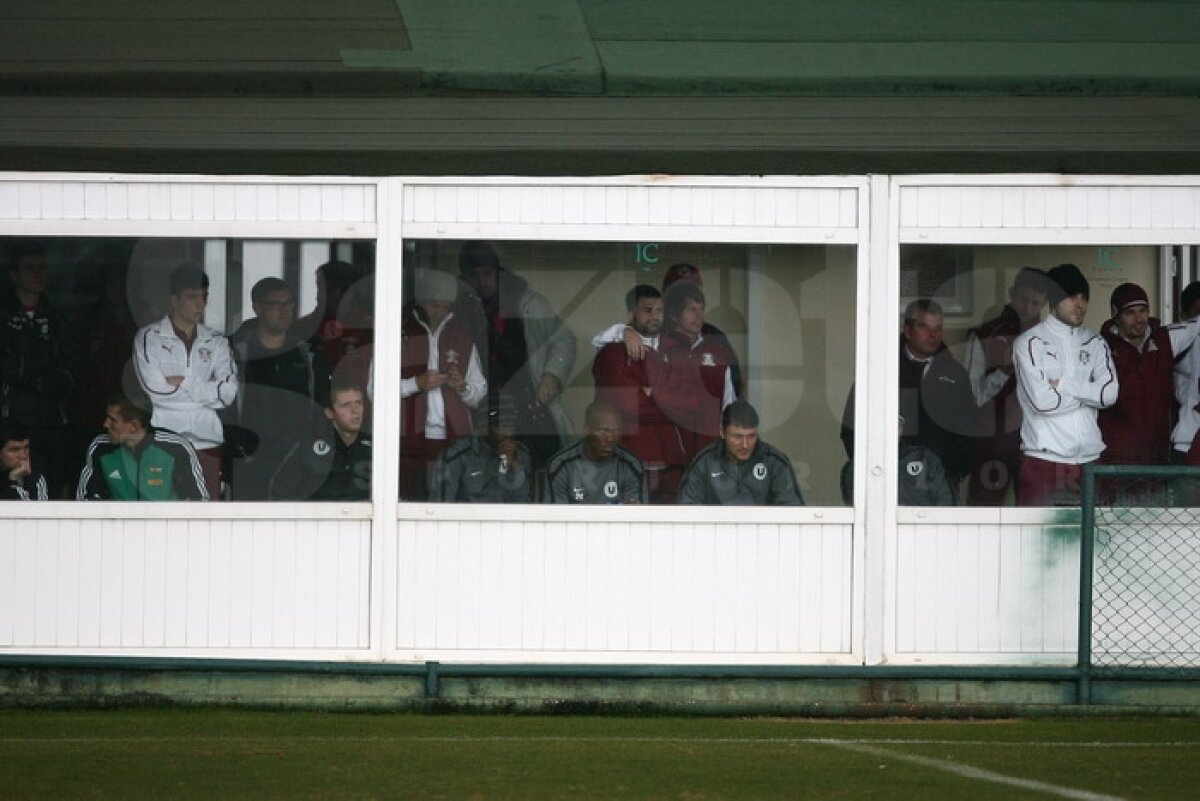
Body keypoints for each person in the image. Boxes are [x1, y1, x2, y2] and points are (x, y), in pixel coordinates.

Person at [842, 298, 976, 502]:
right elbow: (851, 426)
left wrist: (950, 472)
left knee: (939, 534)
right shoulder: (880, 368)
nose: (933, 335)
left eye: (938, 328)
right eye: (924, 327)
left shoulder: (955, 374)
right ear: (908, 330)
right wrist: (870, 468)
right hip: (884, 480)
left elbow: (969, 430)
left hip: (938, 483)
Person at [457, 241, 576, 468]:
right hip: (479, 408)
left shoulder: (528, 302)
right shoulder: (457, 308)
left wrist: (551, 376)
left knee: (541, 468)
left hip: (530, 404)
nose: (482, 282)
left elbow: (564, 339)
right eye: (474, 275)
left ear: (498, 271)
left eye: (488, 273)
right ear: (464, 278)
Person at [1013, 264, 1118, 506]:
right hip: (1044, 459)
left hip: (1090, 459)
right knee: (1038, 540)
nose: (1079, 304)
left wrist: (1063, 384)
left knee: (1090, 541)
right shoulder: (1029, 343)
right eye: (1071, 297)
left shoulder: (1095, 342)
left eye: (1084, 297)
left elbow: (1109, 395)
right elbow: (1043, 403)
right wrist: (1089, 392)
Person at [132, 264, 237, 499]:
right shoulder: (149, 337)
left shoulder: (217, 341)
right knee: (159, 513)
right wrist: (206, 387)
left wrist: (183, 382)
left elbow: (227, 394)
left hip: (207, 442)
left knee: (205, 517)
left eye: (204, 296)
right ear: (174, 300)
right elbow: (155, 391)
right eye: (192, 297)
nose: (201, 304)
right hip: (162, 440)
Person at [225, 277, 331, 500]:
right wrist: (238, 451)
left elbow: (322, 408)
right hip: (249, 463)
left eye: (289, 304)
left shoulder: (308, 356)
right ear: (257, 308)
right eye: (276, 304)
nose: (285, 311)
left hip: (298, 463)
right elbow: (223, 407)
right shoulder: (234, 354)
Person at [592, 284, 688, 502]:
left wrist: (652, 394)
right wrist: (663, 397)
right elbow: (628, 404)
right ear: (631, 313)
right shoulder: (612, 352)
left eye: (659, 310)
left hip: (670, 457)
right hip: (626, 452)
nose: (654, 316)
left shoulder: (675, 349)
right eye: (647, 310)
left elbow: (685, 403)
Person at [0, 243, 80, 497]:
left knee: (52, 490)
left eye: (42, 268)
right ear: (14, 274)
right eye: (30, 268)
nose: (38, 274)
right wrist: (37, 373)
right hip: (9, 422)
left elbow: (71, 372)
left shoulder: (59, 320)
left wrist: (35, 376)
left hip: (50, 423)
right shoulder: (3, 317)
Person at [963, 267, 1048, 505]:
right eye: (1023, 300)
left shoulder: (1054, 340)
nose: (1028, 309)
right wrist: (1004, 371)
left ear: (1044, 304)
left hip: (1039, 444)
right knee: (981, 516)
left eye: (1036, 303)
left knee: (1037, 522)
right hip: (992, 443)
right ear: (1011, 294)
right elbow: (973, 396)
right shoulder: (985, 334)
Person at [594, 262, 744, 396]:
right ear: (665, 294)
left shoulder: (714, 336)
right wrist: (624, 331)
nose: (684, 297)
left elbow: (734, 388)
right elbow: (600, 343)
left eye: (692, 290)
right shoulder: (654, 329)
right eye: (677, 292)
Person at [400, 269, 486, 500]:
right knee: (409, 503)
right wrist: (415, 384)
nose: (439, 312)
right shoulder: (400, 333)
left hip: (455, 441)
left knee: (454, 505)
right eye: (434, 305)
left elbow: (479, 393)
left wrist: (462, 388)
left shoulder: (462, 337)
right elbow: (374, 391)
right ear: (421, 301)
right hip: (406, 442)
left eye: (446, 307)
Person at [656, 280, 736, 461]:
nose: (699, 316)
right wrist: (626, 332)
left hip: (710, 451)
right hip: (669, 453)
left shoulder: (718, 352)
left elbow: (729, 404)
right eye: (692, 309)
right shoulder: (659, 348)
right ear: (674, 314)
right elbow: (605, 340)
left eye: (702, 309)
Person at [76, 392, 208, 501]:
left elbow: (199, 500)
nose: (105, 424)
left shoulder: (177, 448)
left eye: (113, 420)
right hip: (117, 529)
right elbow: (84, 500)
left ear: (133, 426)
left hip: (166, 529)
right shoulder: (100, 447)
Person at [678, 400, 803, 506]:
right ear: (722, 432)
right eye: (737, 436)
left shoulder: (774, 463)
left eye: (751, 436)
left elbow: (792, 512)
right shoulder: (705, 463)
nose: (745, 444)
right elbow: (687, 512)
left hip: (764, 534)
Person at [271, 380, 372, 501]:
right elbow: (279, 493)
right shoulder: (308, 446)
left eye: (359, 403)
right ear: (329, 413)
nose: (355, 410)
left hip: (365, 518)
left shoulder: (375, 446)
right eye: (346, 405)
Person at [430, 396, 532, 503]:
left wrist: (515, 466)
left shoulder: (521, 455)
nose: (509, 433)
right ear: (484, 428)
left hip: (506, 519)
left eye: (512, 426)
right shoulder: (456, 456)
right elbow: (440, 507)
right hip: (466, 518)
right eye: (502, 427)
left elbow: (523, 505)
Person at [546, 400, 647, 504]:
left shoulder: (630, 465)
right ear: (587, 431)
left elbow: (636, 517)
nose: (611, 438)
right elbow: (556, 518)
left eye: (617, 431)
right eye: (604, 431)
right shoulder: (562, 465)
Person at [0, 417, 48, 500]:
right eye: (14, 449)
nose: (23, 456)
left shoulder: (34, 474)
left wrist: (14, 481)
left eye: (26, 447)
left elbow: (36, 511)